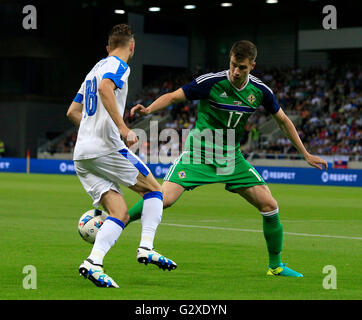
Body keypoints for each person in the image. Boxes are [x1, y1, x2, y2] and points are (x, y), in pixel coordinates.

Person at [129, 40, 328, 277]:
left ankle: (275, 266)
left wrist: (305, 153)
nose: (235, 71)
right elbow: (173, 97)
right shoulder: (211, 82)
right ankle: (116, 220)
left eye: (242, 67)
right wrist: (149, 110)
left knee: (269, 205)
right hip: (199, 154)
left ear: (252, 65)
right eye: (233, 65)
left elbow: (283, 121)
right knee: (164, 198)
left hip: (230, 158)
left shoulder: (260, 92)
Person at [66, 24, 176, 288]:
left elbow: (72, 111)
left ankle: (93, 263)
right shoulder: (118, 65)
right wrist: (123, 128)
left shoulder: (93, 70)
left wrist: (90, 133)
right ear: (132, 46)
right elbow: (106, 89)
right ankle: (146, 247)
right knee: (154, 190)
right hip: (107, 148)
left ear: (107, 47)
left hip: (82, 154)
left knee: (120, 213)